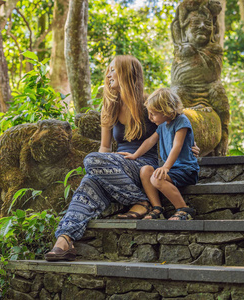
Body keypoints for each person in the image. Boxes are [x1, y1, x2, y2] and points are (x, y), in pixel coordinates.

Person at [45, 56, 199, 261]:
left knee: (92, 161)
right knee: (89, 181)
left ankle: (142, 201)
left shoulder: (148, 103)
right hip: (116, 167)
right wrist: (104, 171)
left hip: (144, 165)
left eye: (113, 70)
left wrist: (191, 146)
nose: (108, 75)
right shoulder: (109, 107)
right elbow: (105, 148)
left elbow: (173, 125)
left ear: (127, 73)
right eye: (108, 70)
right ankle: (64, 240)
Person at [121, 88, 199, 220]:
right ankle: (157, 208)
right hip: (173, 170)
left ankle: (184, 209)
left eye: (153, 114)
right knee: (145, 170)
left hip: (186, 170)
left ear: (166, 111)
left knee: (156, 178)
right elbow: (150, 141)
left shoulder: (181, 121)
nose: (150, 118)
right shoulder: (162, 125)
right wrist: (134, 155)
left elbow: (177, 146)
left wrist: (166, 167)